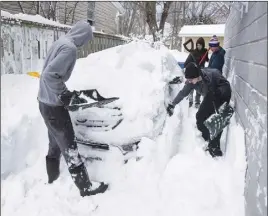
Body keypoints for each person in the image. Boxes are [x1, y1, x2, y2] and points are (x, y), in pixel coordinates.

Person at [37, 20, 108, 197]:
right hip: (54, 105)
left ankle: (52, 177)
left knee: (54, 142)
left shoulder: (60, 42)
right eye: (87, 39)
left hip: (44, 101)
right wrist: (65, 94)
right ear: (83, 36)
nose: (85, 43)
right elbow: (49, 76)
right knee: (69, 145)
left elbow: (47, 73)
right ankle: (85, 187)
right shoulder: (70, 49)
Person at [166, 62, 232, 157]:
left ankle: (214, 147)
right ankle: (207, 136)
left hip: (222, 92)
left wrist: (217, 93)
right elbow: (183, 93)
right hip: (210, 95)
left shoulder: (210, 76)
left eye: (191, 79)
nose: (189, 81)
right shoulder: (191, 82)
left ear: (197, 76)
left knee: (218, 118)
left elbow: (218, 74)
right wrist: (173, 104)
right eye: (188, 79)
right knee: (200, 116)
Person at [184, 37, 209, 108]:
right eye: (197, 45)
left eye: (200, 45)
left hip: (200, 72)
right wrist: (193, 65)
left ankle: (197, 102)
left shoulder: (205, 51)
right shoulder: (193, 53)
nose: (198, 46)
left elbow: (207, 59)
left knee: (199, 87)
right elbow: (186, 63)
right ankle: (190, 100)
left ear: (203, 45)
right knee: (191, 86)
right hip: (193, 72)